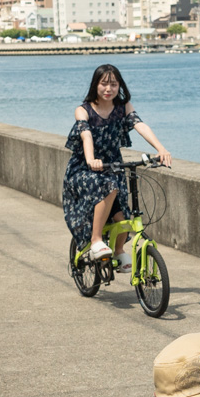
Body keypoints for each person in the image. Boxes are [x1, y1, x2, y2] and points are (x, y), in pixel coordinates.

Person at [62, 64, 171, 263]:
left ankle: (119, 250)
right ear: (95, 85)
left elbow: (139, 124)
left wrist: (161, 148)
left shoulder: (123, 107)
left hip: (113, 166)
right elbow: (86, 135)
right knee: (110, 188)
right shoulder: (83, 110)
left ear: (119, 86)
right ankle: (95, 241)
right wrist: (90, 159)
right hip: (85, 167)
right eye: (104, 84)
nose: (108, 89)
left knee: (123, 217)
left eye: (113, 84)